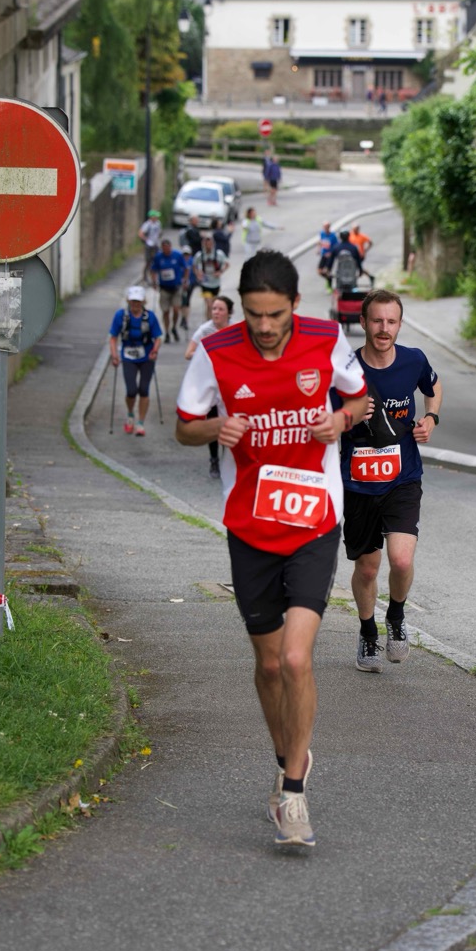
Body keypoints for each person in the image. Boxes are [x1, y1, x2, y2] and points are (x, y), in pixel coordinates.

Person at [175, 250, 369, 847]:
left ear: (295, 306)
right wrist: (216, 428)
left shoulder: (326, 339)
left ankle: (293, 793)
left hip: (314, 519)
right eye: (254, 314)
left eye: (275, 315)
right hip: (250, 525)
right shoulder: (214, 352)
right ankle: (288, 757)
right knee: (266, 665)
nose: (264, 326)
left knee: (295, 658)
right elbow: (184, 426)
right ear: (242, 306)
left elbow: (359, 398)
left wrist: (341, 422)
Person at [338, 288, 442, 672]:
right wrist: (349, 415)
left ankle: (396, 617)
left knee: (400, 559)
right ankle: (368, 632)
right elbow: (320, 419)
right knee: (367, 568)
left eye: (391, 321)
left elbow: (434, 387)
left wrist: (431, 418)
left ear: (399, 324)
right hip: (358, 483)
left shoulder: (414, 360)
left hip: (403, 477)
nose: (384, 328)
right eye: (377, 321)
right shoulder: (344, 368)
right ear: (363, 322)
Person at [184, 296, 235, 479]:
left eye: (220, 309)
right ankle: (214, 460)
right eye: (214, 309)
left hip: (230, 384)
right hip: (211, 385)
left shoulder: (236, 330)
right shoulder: (205, 330)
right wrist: (208, 353)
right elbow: (188, 353)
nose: (216, 312)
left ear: (229, 312)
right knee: (213, 422)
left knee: (230, 422)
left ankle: (228, 460)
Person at [109, 285, 163, 436]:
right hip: (128, 357)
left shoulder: (150, 317)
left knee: (144, 390)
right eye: (133, 301)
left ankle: (140, 423)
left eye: (138, 301)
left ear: (143, 302)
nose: (135, 304)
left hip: (147, 357)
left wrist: (155, 350)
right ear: (128, 301)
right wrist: (114, 355)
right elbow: (113, 337)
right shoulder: (121, 316)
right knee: (131, 390)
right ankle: (130, 414)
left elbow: (158, 337)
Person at [148, 236, 187, 343]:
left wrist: (185, 280)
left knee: (176, 309)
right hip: (164, 288)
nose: (166, 250)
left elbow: (186, 268)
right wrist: (154, 282)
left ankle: (174, 327)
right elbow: (153, 270)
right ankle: (167, 332)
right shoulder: (158, 257)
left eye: (167, 248)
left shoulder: (177, 255)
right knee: (165, 311)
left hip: (176, 287)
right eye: (164, 248)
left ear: (170, 247)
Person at [193, 232, 229, 320]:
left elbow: (227, 264)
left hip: (216, 283)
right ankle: (209, 322)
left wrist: (220, 272)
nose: (208, 246)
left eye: (210, 244)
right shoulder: (200, 255)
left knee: (214, 304)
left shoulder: (219, 254)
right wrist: (198, 274)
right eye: (206, 244)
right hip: (205, 283)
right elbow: (194, 265)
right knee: (209, 305)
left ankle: (213, 321)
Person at [178, 244, 197, 332]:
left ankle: (185, 319)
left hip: (190, 284)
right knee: (181, 302)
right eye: (184, 254)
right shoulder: (180, 261)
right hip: (180, 284)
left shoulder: (192, 261)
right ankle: (183, 317)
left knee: (187, 301)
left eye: (187, 254)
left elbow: (195, 271)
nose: (186, 256)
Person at [317, 219, 339, 286]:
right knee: (319, 271)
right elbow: (320, 241)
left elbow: (336, 246)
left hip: (330, 256)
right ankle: (329, 279)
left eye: (327, 227)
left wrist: (331, 253)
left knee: (327, 271)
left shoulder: (333, 236)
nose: (325, 228)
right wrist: (319, 249)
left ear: (329, 227)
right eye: (324, 227)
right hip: (324, 254)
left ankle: (329, 285)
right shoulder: (322, 233)